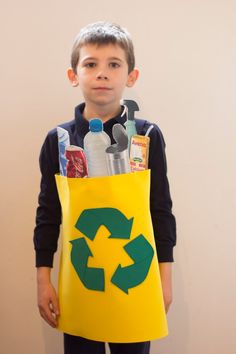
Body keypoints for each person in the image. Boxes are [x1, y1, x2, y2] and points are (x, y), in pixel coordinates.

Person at [34, 21, 176, 354]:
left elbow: (160, 210)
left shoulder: (147, 136)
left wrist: (163, 281)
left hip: (135, 280)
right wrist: (44, 280)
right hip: (82, 282)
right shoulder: (59, 141)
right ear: (74, 75)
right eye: (90, 64)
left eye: (114, 64)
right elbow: (48, 213)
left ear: (131, 76)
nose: (102, 74)